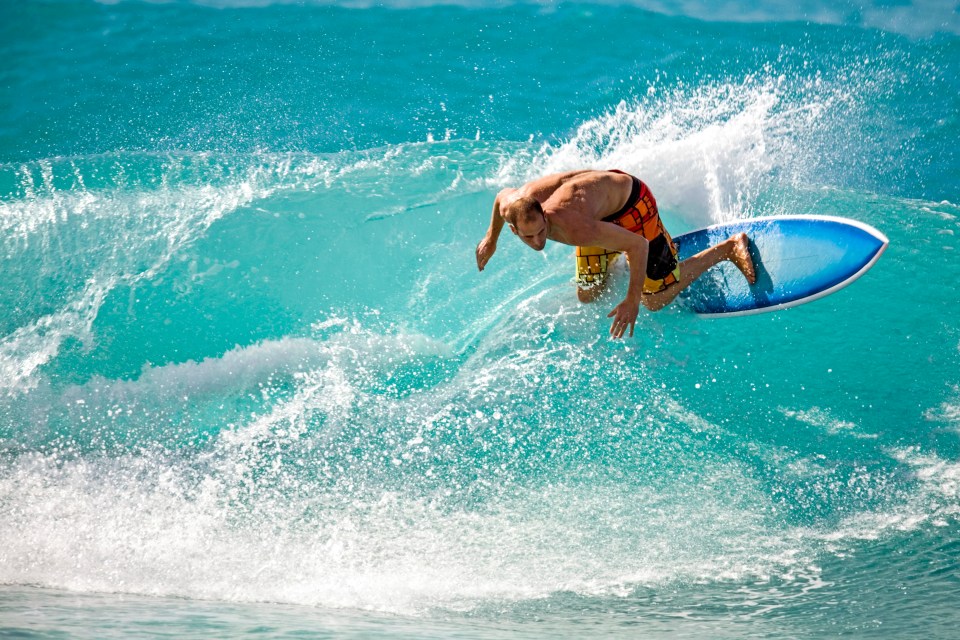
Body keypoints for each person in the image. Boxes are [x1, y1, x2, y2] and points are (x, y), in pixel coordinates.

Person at [475, 169, 756, 338]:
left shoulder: (575, 228)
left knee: (653, 301)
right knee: (588, 293)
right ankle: (616, 248)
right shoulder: (515, 203)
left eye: (541, 230)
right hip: (599, 214)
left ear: (543, 213)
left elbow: (638, 245)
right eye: (529, 236)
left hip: (633, 206)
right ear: (515, 230)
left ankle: (728, 248)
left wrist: (632, 300)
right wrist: (491, 238)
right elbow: (501, 196)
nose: (538, 241)